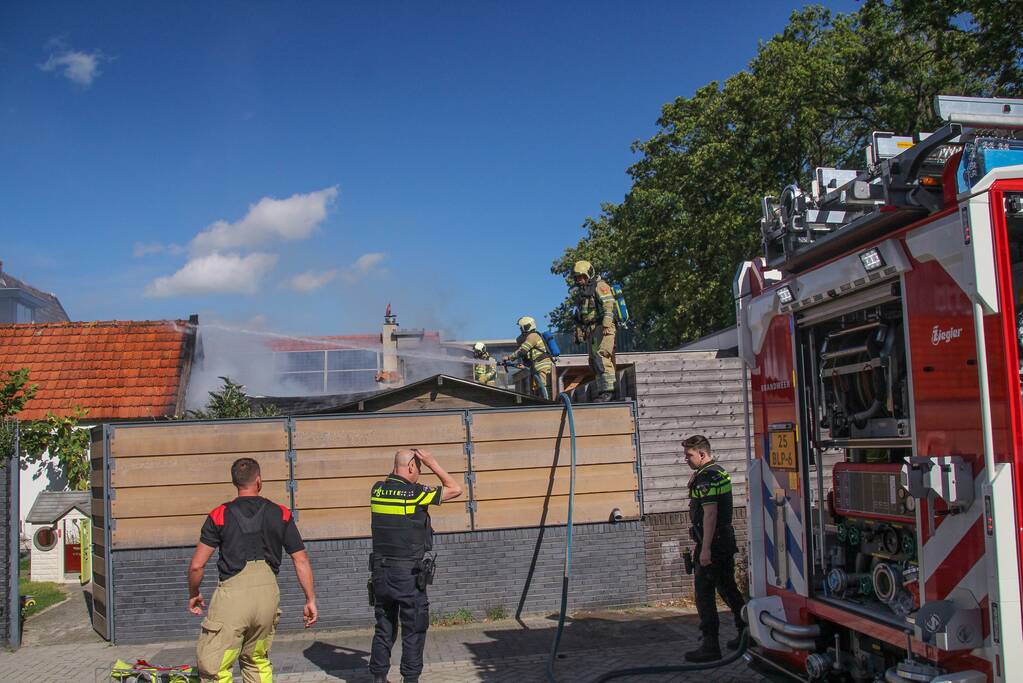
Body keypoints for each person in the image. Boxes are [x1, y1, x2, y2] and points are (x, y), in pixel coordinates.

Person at [188, 457, 318, 682]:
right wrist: (310, 599)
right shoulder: (281, 513)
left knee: (215, 667)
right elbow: (301, 560)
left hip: (233, 600)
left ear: (234, 482)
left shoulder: (218, 515)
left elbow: (197, 565)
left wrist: (194, 593)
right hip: (267, 601)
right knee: (256, 660)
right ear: (258, 481)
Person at [369, 448, 463, 683]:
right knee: (414, 627)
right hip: (407, 574)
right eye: (419, 468)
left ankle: (378, 677)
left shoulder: (377, 490)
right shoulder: (414, 493)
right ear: (412, 467)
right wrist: (433, 462)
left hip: (380, 572)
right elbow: (455, 489)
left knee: (384, 626)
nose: (420, 472)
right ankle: (410, 679)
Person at [682, 435, 746, 662]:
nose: (686, 460)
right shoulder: (719, 472)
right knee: (728, 589)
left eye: (689, 455)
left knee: (704, 594)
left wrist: (705, 549)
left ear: (702, 453)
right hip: (723, 540)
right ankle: (747, 633)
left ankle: (710, 645)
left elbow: (710, 514)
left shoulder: (707, 477)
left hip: (713, 542)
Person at [571, 260, 616, 402]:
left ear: (589, 274)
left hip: (603, 327)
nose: (580, 280)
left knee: (602, 356)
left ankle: (609, 391)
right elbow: (581, 316)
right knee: (594, 361)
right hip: (592, 330)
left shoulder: (600, 286)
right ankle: (602, 391)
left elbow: (609, 305)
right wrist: (580, 333)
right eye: (577, 277)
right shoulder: (583, 293)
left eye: (582, 276)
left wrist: (607, 325)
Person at [502, 316, 553, 398]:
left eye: (522, 328)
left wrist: (509, 357)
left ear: (527, 326)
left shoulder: (533, 336)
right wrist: (525, 366)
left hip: (542, 366)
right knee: (538, 388)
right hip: (537, 366)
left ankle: (549, 405)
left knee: (544, 387)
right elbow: (528, 356)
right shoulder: (531, 336)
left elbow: (522, 351)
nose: (521, 330)